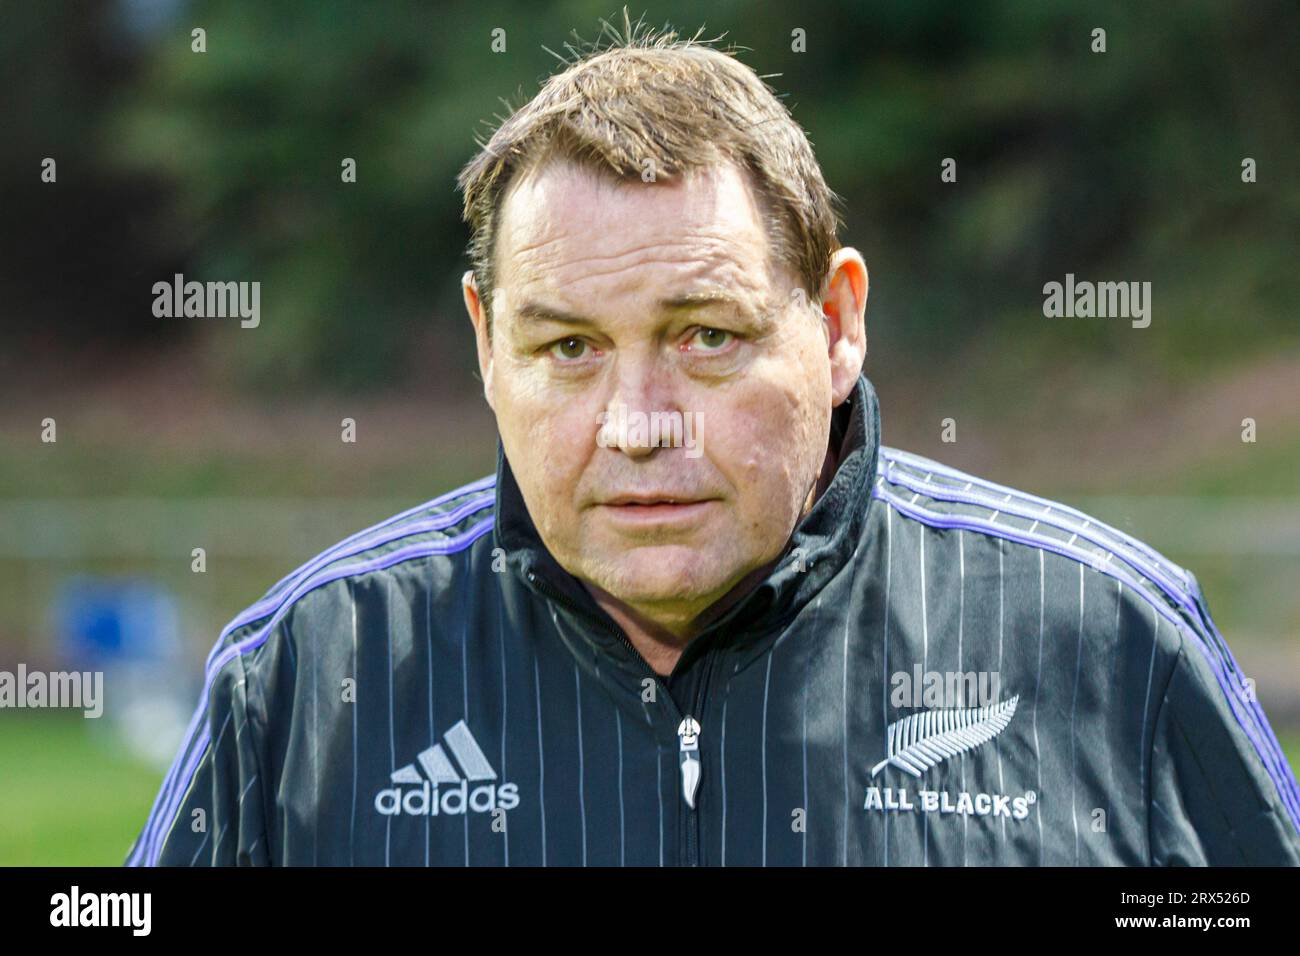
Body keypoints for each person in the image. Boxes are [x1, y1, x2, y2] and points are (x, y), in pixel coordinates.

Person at [127, 26, 1300, 867]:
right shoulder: (300, 683)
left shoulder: (1111, 643)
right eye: (569, 348)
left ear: (835, 325)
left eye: (704, 336)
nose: (638, 424)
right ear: (489, 347)